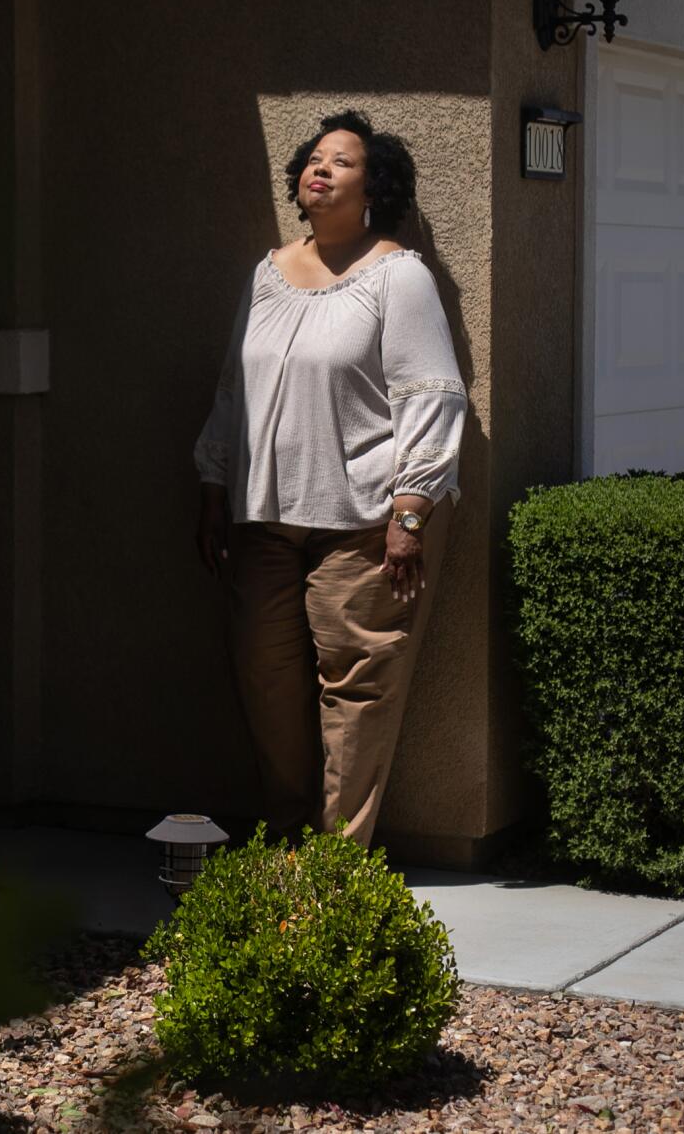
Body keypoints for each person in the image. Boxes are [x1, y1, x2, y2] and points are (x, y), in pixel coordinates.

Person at [193, 109, 465, 847]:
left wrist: (411, 513)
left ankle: (337, 864)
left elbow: (431, 393)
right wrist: (215, 484)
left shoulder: (397, 276)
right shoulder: (267, 273)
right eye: (314, 159)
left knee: (358, 695)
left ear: (372, 185)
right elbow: (231, 389)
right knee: (267, 684)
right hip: (260, 522)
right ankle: (285, 837)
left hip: (361, 529)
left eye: (341, 162)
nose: (321, 169)